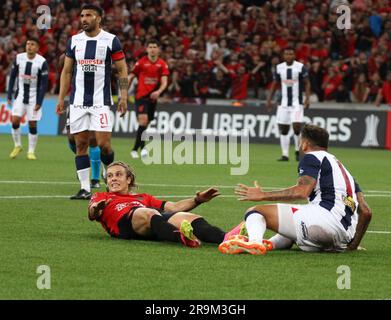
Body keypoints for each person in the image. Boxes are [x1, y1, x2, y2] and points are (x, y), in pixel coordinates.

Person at [219, 124, 372, 255]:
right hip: (342, 238)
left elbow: (302, 191)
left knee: (255, 211)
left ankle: (254, 242)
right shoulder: (344, 171)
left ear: (304, 144)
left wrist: (262, 195)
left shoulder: (312, 157)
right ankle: (269, 244)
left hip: (322, 223)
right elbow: (366, 212)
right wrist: (352, 245)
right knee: (294, 222)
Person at [56, 4, 128, 199]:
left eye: (89, 15)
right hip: (78, 102)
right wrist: (61, 98)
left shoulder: (111, 40)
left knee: (104, 145)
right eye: (82, 15)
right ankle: (85, 188)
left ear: (99, 18)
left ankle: (107, 169)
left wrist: (123, 96)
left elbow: (122, 69)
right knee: (80, 145)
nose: (84, 19)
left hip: (101, 102)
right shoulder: (74, 41)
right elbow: (67, 71)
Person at [88, 161, 227, 247]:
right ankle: (183, 238)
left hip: (153, 220)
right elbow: (92, 213)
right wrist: (96, 209)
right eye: (110, 176)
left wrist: (198, 200)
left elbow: (174, 207)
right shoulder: (102, 196)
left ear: (128, 179)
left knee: (187, 217)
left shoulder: (143, 197)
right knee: (147, 212)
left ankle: (229, 238)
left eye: (118, 175)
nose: (113, 179)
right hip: (125, 225)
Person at [7, 37, 49, 160]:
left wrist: (39, 102)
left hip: (34, 97)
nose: (29, 46)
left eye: (32, 44)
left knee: (32, 123)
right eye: (27, 44)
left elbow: (44, 84)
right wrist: (9, 95)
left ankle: (31, 151)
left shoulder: (42, 62)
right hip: (20, 95)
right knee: (15, 120)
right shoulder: (19, 58)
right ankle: (17, 145)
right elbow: (13, 77)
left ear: (37, 47)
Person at [266, 47, 311, 162]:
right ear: (283, 55)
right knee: (284, 129)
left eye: (291, 54)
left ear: (294, 55)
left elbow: (307, 83)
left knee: (296, 127)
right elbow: (275, 84)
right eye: (286, 54)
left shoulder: (300, 67)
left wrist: (307, 98)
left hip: (297, 103)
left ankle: (297, 150)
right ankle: (285, 155)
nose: (288, 56)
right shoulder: (279, 67)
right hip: (283, 103)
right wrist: (269, 99)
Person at [129, 39, 169, 159]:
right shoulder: (141, 63)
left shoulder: (162, 64)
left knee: (146, 124)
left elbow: (164, 82)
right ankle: (142, 149)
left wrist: (158, 92)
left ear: (158, 50)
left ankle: (137, 148)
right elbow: (131, 75)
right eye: (150, 46)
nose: (152, 49)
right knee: (143, 120)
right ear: (146, 49)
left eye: (154, 47)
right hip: (141, 97)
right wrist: (124, 89)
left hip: (153, 98)